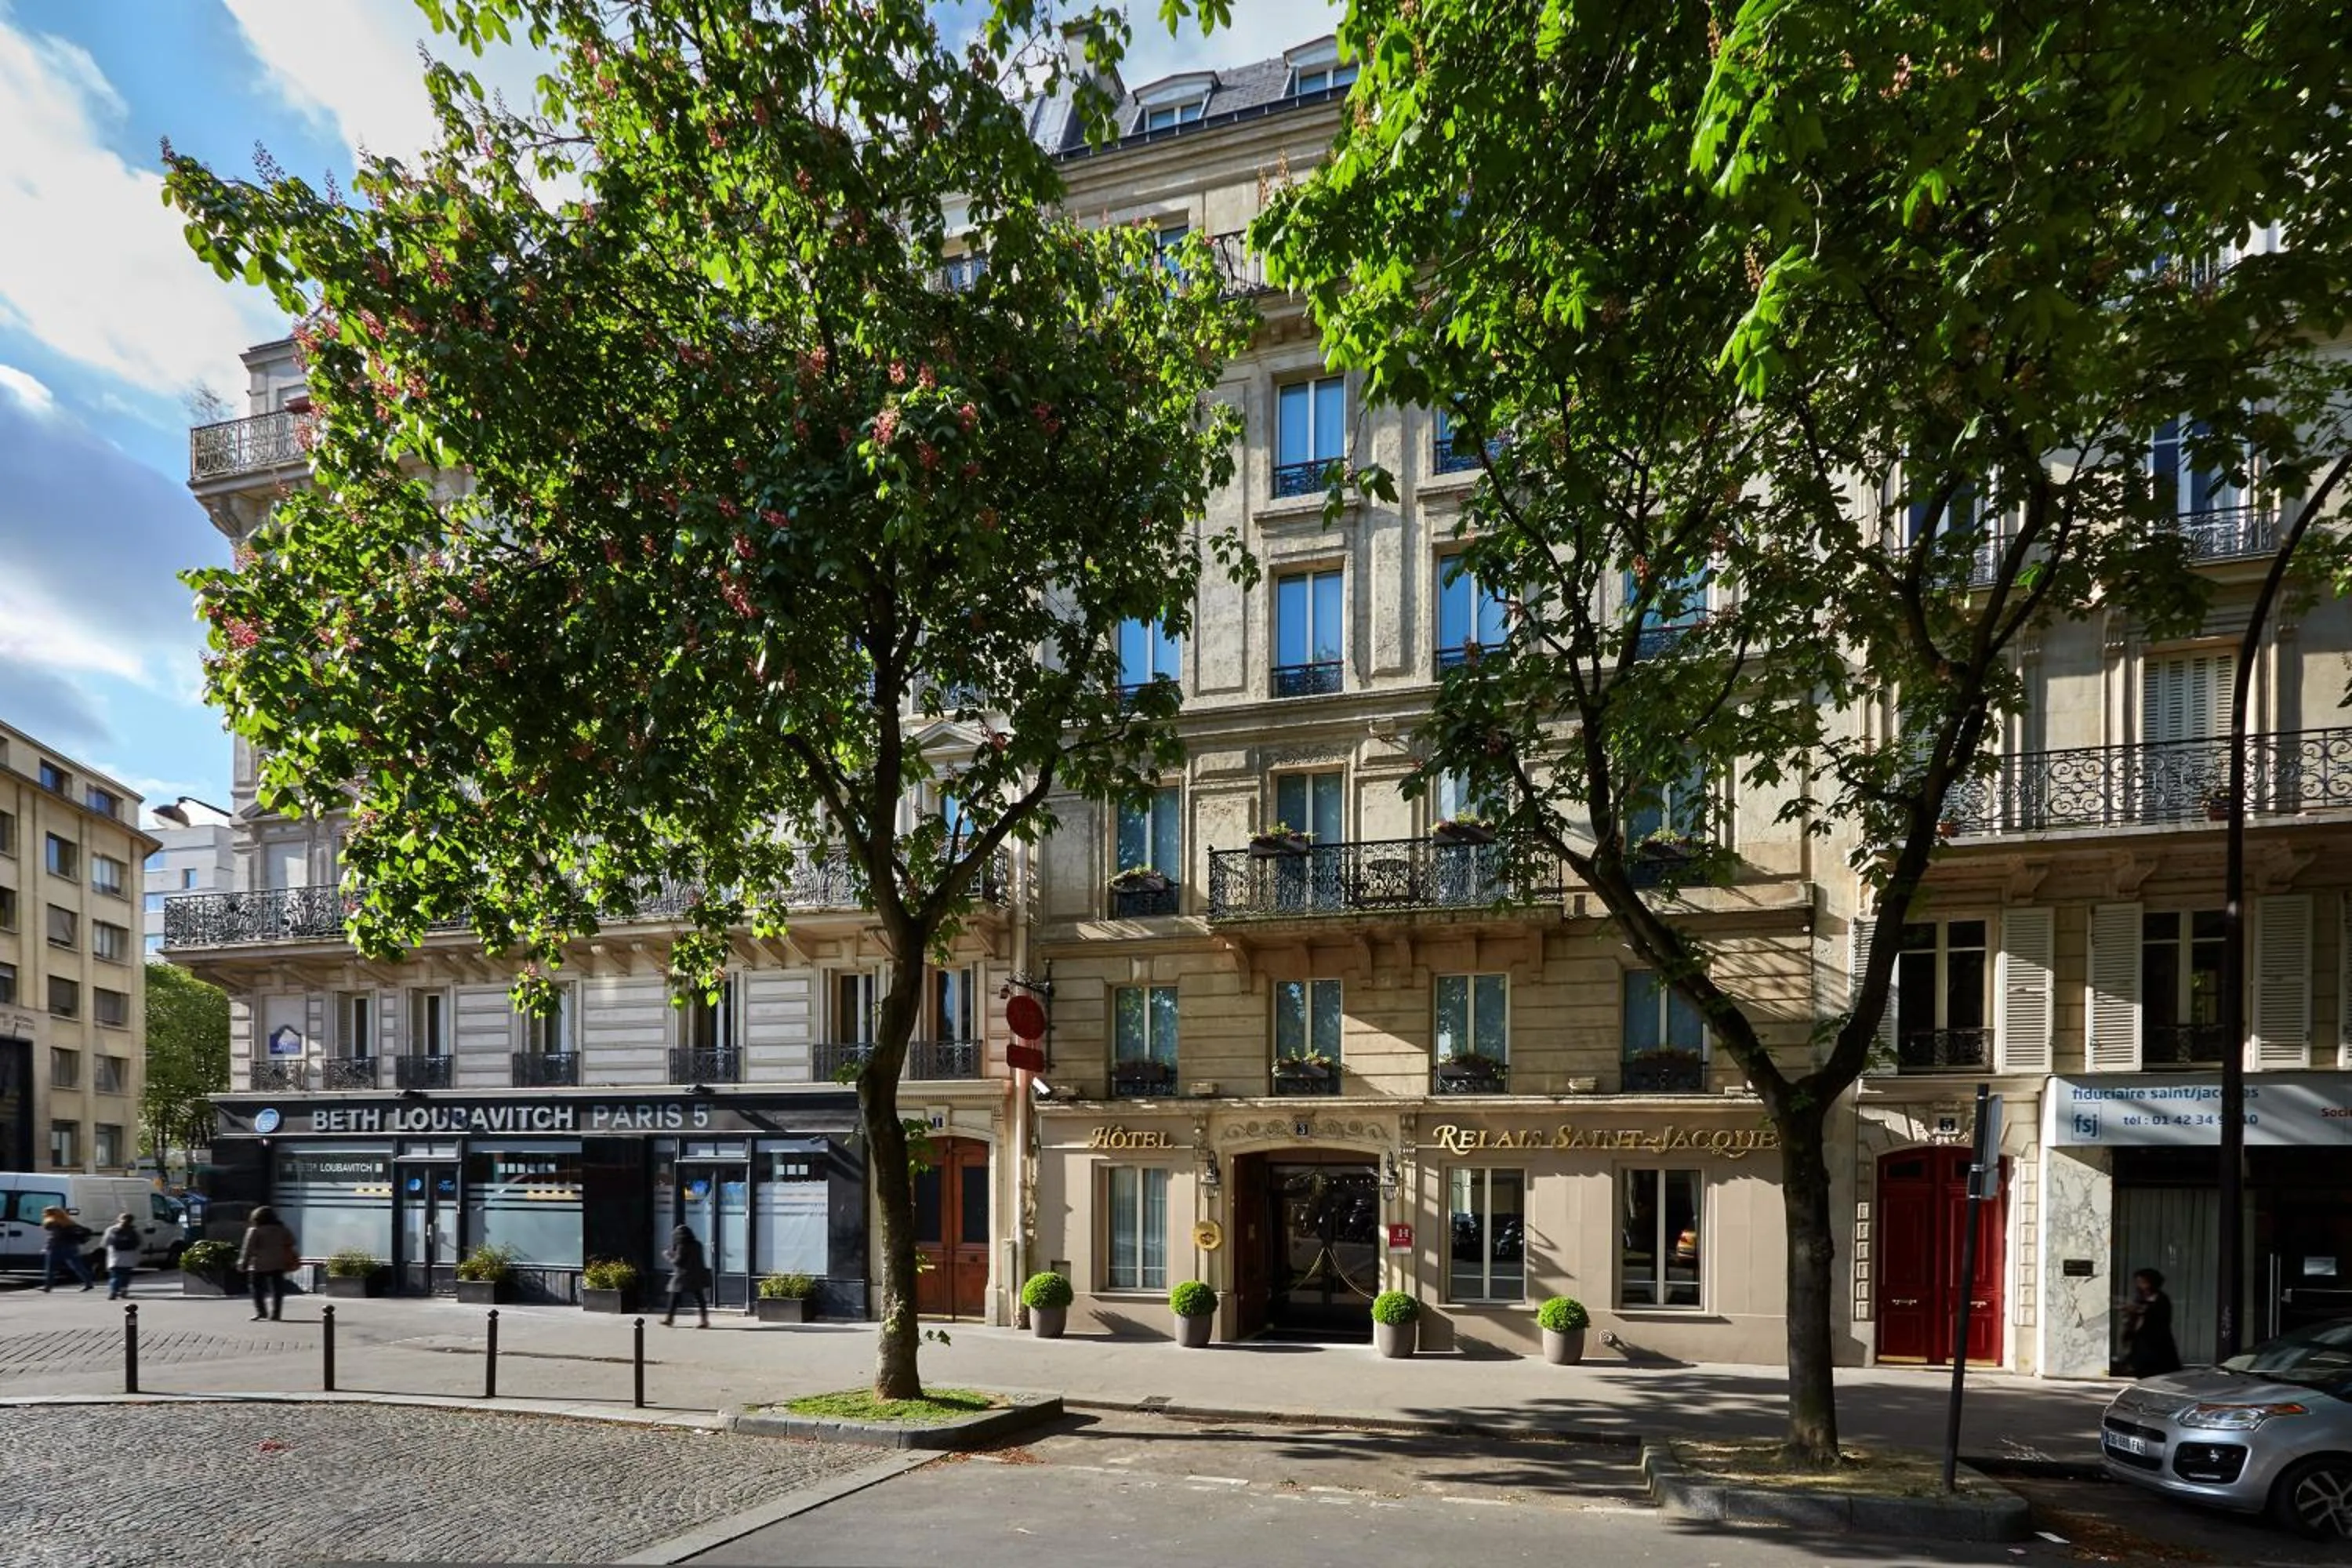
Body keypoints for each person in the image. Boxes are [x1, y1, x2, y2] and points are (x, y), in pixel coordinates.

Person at [239, 1205, 301, 1322]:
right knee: (277, 1290)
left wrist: (244, 1263)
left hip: (259, 1264)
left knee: (257, 1288)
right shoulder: (282, 1229)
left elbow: (248, 1248)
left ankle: (261, 1312)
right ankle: (276, 1314)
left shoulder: (254, 1230)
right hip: (278, 1262)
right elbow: (292, 1241)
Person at [2122, 1266, 2184, 1377]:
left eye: (2143, 1282)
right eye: (2138, 1282)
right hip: (2141, 1342)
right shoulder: (2140, 1298)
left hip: (2158, 1343)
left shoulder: (2162, 1299)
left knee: (2159, 1372)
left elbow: (2160, 1319)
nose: (2140, 1285)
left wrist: (2142, 1311)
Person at [662, 1223, 712, 1328]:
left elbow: (678, 1261)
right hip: (697, 1274)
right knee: (700, 1298)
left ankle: (669, 1319)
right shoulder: (698, 1245)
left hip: (683, 1275)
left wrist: (668, 1255)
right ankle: (704, 1320)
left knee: (674, 1296)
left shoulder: (682, 1245)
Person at [39, 1207, 95, 1293]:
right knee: (77, 1266)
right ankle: (89, 1283)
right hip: (71, 1246)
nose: (43, 1215)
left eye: (45, 1213)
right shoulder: (69, 1222)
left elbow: (54, 1236)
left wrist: (48, 1246)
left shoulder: (52, 1222)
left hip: (56, 1247)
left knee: (51, 1268)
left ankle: (48, 1286)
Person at [103, 1212, 143, 1301]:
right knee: (126, 1275)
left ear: (118, 1219)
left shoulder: (111, 1229)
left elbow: (106, 1243)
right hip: (129, 1257)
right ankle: (124, 1290)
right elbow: (139, 1243)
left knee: (115, 1275)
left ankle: (113, 1292)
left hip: (115, 1257)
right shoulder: (134, 1231)